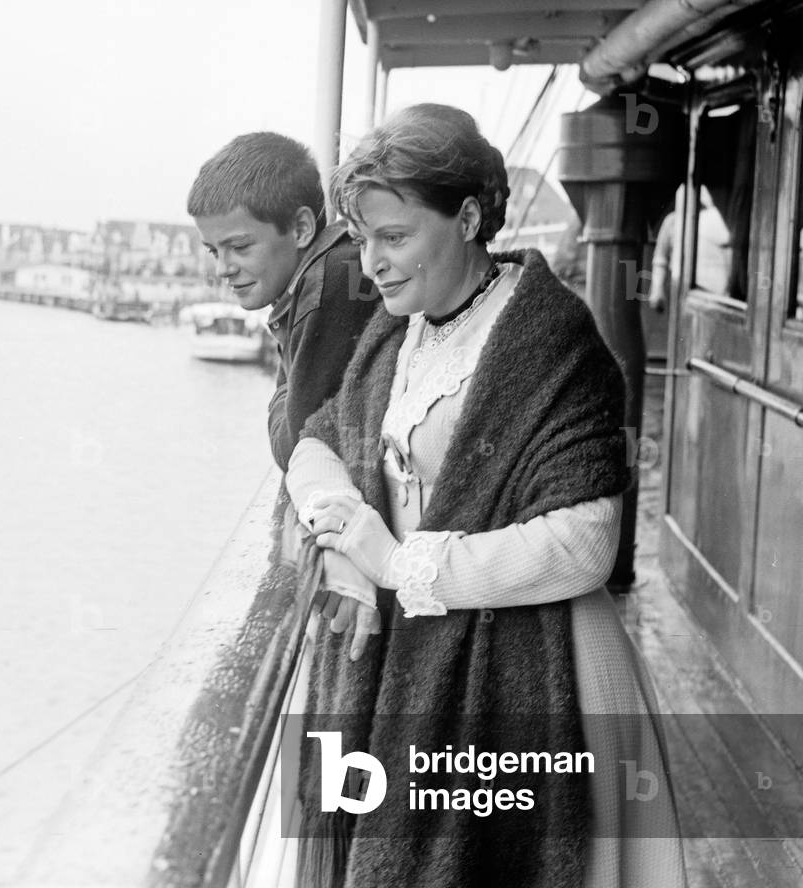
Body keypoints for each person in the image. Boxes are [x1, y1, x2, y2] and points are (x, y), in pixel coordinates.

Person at [280, 104, 686, 887]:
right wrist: (346, 542)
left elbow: (588, 541)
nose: (372, 264)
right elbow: (315, 443)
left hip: (532, 667)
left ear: (468, 217)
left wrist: (401, 565)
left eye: (394, 238)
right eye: (363, 240)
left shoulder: (551, 340)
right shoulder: (400, 332)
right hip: (411, 660)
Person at [187, 132, 378, 472]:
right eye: (215, 251)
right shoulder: (330, 263)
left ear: (301, 228)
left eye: (241, 247)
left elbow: (293, 447)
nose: (223, 269)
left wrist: (280, 396)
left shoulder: (327, 283)